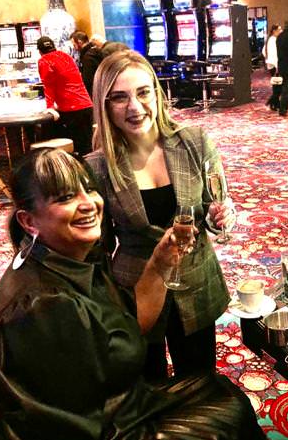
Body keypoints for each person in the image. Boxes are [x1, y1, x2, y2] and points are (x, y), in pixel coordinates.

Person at [0, 148, 265, 440]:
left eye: (89, 189)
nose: (88, 204)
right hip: (89, 430)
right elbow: (72, 423)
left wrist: (161, 261)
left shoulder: (75, 257)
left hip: (109, 406)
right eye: (65, 198)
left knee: (222, 393)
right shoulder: (44, 305)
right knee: (228, 418)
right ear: (28, 221)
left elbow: (131, 321)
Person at [86, 50, 235, 382]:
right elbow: (98, 248)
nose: (135, 107)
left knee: (198, 383)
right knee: (147, 387)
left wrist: (220, 218)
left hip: (196, 280)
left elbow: (219, 205)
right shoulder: (96, 167)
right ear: (105, 105)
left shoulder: (195, 142)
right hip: (137, 289)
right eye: (119, 98)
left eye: (143, 92)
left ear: (157, 92)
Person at [36, 36, 94, 155]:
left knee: (75, 148)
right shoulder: (65, 56)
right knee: (87, 147)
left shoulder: (44, 61)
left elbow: (48, 85)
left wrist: (50, 107)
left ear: (40, 51)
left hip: (72, 109)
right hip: (86, 105)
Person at [71, 30, 103, 98]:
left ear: (79, 42)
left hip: (94, 94)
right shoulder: (96, 51)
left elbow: (88, 80)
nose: (74, 48)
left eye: (74, 45)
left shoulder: (87, 57)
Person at [262, 24, 282, 111]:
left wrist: (267, 59)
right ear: (274, 31)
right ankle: (272, 102)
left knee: (276, 86)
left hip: (271, 65)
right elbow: (275, 55)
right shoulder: (273, 40)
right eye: (279, 30)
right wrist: (277, 67)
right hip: (274, 66)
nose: (280, 31)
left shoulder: (270, 39)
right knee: (278, 87)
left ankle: (275, 104)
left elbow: (263, 51)